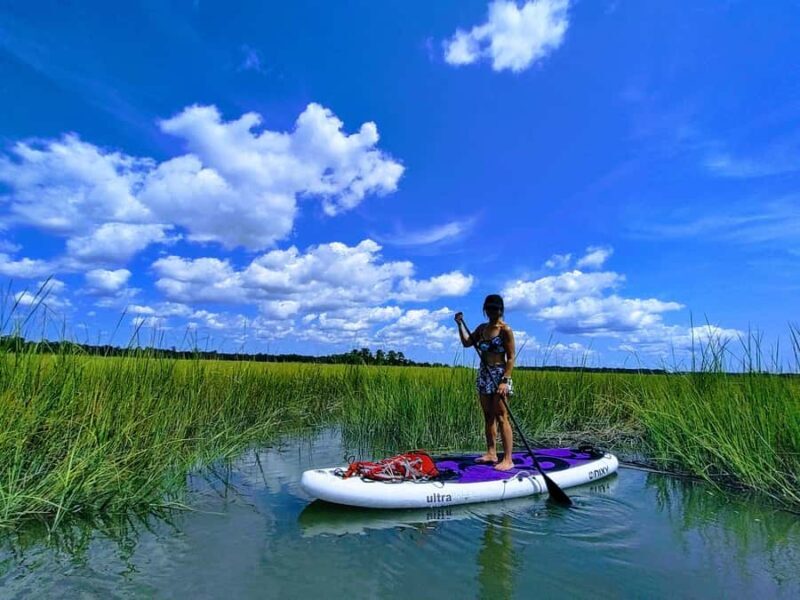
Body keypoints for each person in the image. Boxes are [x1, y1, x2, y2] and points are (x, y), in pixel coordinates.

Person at [455, 294, 516, 471]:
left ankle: (508, 459)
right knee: (488, 415)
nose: (492, 311)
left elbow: (511, 357)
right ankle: (491, 453)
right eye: (489, 308)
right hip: (484, 373)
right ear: (485, 310)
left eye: (495, 308)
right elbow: (467, 343)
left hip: (499, 374)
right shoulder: (482, 328)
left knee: (501, 416)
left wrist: (505, 380)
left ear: (501, 309)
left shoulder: (505, 330)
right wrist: (459, 324)